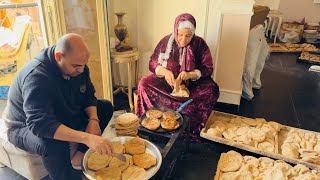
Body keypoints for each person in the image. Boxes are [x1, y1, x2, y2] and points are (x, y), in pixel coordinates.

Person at [2, 33, 114, 180]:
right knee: (52, 143)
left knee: (104, 106)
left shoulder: (79, 66)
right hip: (23, 126)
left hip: (60, 112)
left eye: (83, 65)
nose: (81, 70)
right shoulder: (36, 77)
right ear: (59, 57)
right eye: (76, 66)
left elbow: (88, 96)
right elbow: (40, 125)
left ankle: (78, 155)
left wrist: (93, 120)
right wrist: (87, 138)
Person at [136, 13, 220, 141]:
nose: (183, 40)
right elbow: (152, 63)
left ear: (193, 33)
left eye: (188, 36)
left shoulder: (200, 44)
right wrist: (164, 71)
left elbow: (208, 68)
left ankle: (192, 128)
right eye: (180, 35)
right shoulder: (166, 41)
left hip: (192, 86)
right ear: (175, 30)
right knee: (144, 83)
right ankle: (152, 122)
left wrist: (191, 74)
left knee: (212, 89)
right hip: (167, 85)